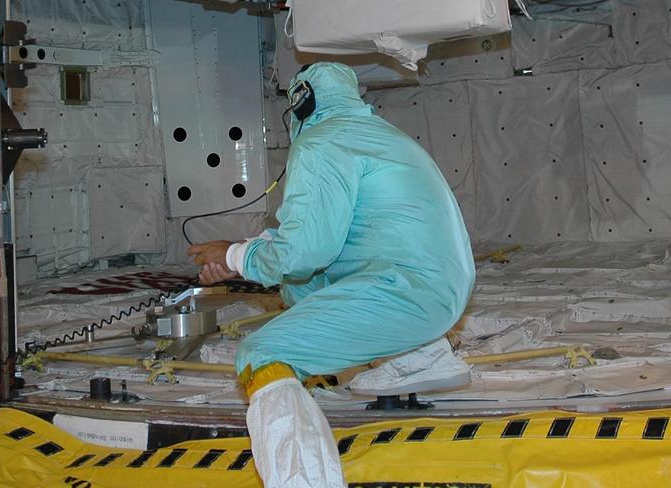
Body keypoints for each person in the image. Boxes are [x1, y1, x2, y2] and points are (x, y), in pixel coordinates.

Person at [188, 61, 476, 488]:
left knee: (263, 354)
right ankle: (420, 358)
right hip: (439, 287)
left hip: (407, 294)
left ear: (301, 102)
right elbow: (317, 238)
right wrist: (239, 255)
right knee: (300, 285)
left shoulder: (323, 142)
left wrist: (232, 256)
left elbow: (304, 250)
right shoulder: (377, 135)